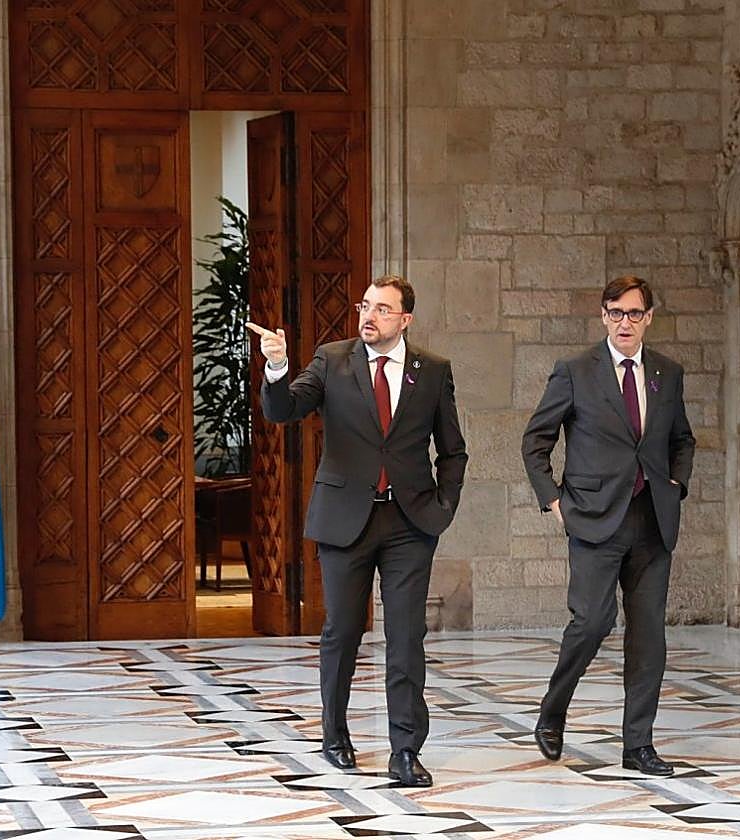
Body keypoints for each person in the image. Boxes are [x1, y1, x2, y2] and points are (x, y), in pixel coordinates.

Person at [247, 274, 467, 788]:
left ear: (405, 319)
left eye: (382, 309)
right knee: (343, 631)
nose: (369, 316)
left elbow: (452, 449)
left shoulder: (432, 370)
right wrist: (276, 366)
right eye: (365, 306)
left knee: (406, 637)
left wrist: (444, 505)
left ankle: (406, 750)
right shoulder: (332, 359)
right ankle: (335, 735)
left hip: (410, 521)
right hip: (346, 518)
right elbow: (283, 410)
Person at [521, 275, 695, 776]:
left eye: (634, 314)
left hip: (652, 519)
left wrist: (676, 484)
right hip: (594, 518)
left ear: (648, 318)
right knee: (593, 622)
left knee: (648, 636)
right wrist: (554, 501)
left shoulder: (667, 373)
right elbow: (536, 441)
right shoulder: (576, 370)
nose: (624, 322)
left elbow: (682, 439)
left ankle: (638, 745)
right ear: (603, 316)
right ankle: (553, 711)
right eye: (615, 313)